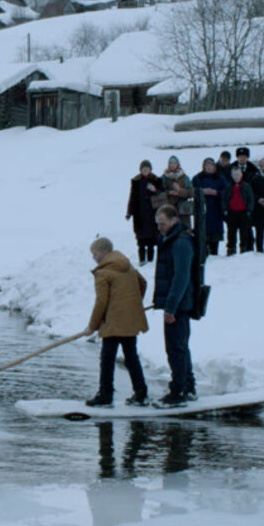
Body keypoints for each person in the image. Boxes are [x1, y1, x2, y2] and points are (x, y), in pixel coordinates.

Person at [83, 237, 150, 407]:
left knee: (107, 358)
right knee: (131, 357)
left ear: (105, 252)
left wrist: (92, 325)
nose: (94, 257)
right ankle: (141, 393)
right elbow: (143, 283)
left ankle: (105, 395)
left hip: (113, 321)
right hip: (130, 319)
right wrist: (133, 304)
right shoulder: (127, 266)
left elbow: (101, 302)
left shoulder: (103, 272)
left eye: (95, 253)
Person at [153, 205, 196, 406]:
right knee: (180, 346)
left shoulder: (181, 242)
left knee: (176, 348)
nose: (159, 228)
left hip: (178, 304)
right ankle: (187, 386)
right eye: (158, 224)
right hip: (175, 302)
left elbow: (181, 277)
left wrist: (170, 307)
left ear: (173, 220)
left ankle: (179, 391)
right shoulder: (170, 239)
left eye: (162, 224)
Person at [125, 160, 163, 265]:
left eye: (147, 169)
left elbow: (162, 195)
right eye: (143, 169)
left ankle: (150, 260)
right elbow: (132, 198)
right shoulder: (136, 181)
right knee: (141, 239)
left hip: (152, 214)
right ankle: (142, 259)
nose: (145, 171)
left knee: (151, 239)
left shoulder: (156, 180)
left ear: (150, 170)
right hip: (139, 215)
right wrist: (129, 212)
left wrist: (155, 190)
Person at [190, 158, 226, 256]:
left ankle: (214, 252)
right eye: (207, 165)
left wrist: (216, 193)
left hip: (216, 209)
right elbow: (191, 191)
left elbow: (226, 192)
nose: (209, 167)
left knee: (215, 235)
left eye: (211, 165)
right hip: (202, 208)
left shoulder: (220, 178)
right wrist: (202, 191)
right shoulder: (197, 178)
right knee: (202, 233)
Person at [221, 166, 256, 255]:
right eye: (234, 175)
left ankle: (243, 247)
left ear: (241, 175)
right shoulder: (228, 186)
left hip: (243, 212)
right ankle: (231, 248)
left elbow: (251, 198)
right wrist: (225, 209)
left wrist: (249, 210)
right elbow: (224, 198)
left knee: (244, 231)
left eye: (238, 174)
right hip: (232, 212)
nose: (236, 177)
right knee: (231, 232)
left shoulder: (246, 186)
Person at [161, 156, 194, 228]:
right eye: (170, 163)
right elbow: (159, 192)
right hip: (169, 211)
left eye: (174, 163)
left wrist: (180, 191)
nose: (172, 165)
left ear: (178, 164)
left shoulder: (185, 177)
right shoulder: (163, 178)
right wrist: (169, 192)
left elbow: (191, 192)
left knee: (184, 234)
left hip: (183, 211)